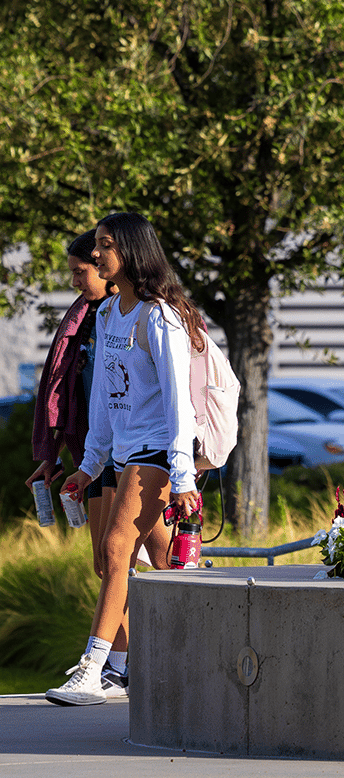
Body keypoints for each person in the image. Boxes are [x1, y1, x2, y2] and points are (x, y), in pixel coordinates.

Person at [45, 212, 203, 706]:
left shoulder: (160, 316)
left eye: (106, 245)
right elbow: (105, 401)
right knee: (162, 562)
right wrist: (90, 464)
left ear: (131, 251)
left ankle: (96, 669)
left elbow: (179, 402)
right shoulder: (110, 313)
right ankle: (195, 655)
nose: (96, 255)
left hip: (157, 450)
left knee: (116, 551)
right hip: (122, 452)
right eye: (96, 245)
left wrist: (182, 477)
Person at [25, 230, 155, 698]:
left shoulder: (148, 316)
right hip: (98, 452)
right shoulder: (93, 318)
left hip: (145, 453)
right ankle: (121, 666)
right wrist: (55, 454)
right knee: (115, 559)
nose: (84, 274)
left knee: (136, 556)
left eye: (85, 267)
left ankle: (120, 663)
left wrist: (185, 466)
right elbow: (79, 395)